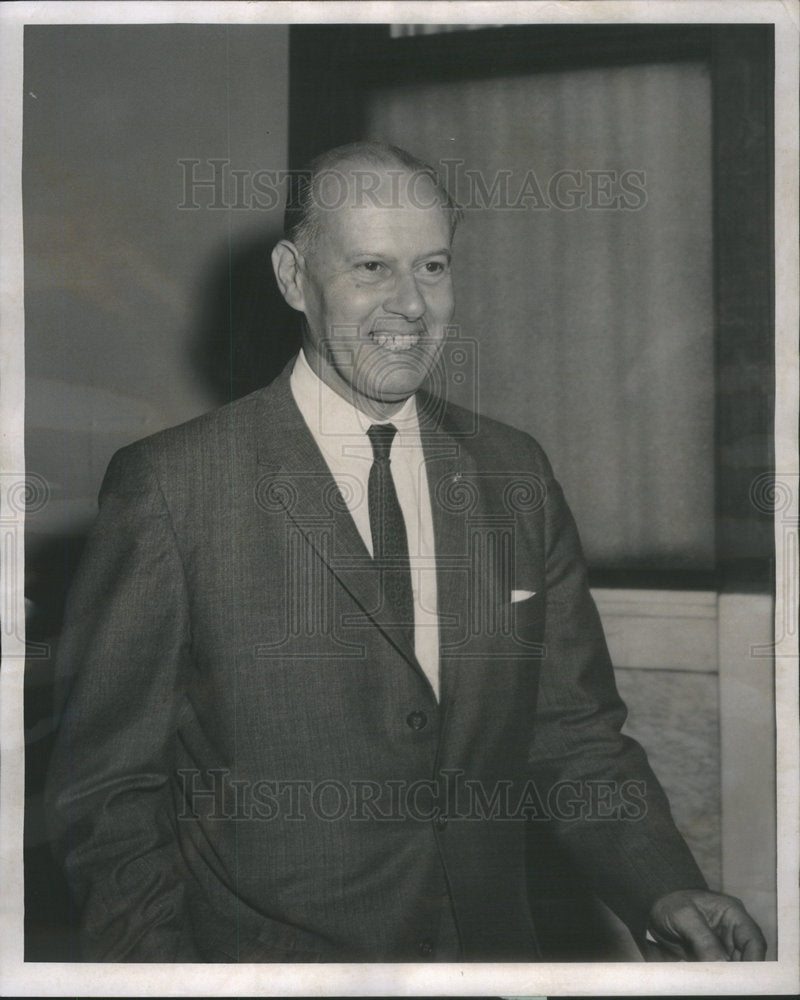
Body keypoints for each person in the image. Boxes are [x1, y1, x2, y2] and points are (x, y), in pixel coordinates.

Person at [45, 141, 766, 963]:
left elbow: (571, 733)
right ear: (293, 279)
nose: (411, 307)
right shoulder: (173, 487)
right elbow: (107, 794)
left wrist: (663, 887)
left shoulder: (512, 471)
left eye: (431, 266)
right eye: (371, 268)